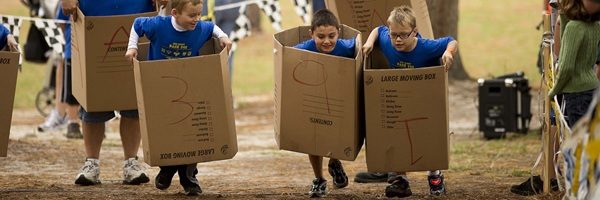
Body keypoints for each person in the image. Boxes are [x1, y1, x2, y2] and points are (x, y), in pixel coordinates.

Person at [125, 0, 232, 195]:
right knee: (167, 131)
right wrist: (132, 47)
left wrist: (224, 37)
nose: (196, 19)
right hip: (160, 88)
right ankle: (167, 168)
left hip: (189, 87)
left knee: (191, 131)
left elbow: (213, 27)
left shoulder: (199, 28)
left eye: (199, 14)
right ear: (174, 13)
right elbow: (137, 24)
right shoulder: (159, 25)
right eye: (192, 15)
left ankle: (188, 177)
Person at [61, 0, 162, 186]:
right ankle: (91, 163)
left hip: (136, 14)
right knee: (92, 99)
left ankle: (131, 162)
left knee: (133, 97)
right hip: (93, 17)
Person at [362, 5, 458, 198]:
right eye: (394, 34)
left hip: (424, 96)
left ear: (415, 32)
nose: (398, 39)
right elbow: (377, 30)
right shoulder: (386, 39)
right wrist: (370, 43)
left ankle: (434, 175)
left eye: (404, 35)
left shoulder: (426, 47)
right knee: (395, 131)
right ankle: (399, 179)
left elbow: (451, 41)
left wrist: (448, 53)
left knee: (427, 134)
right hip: (399, 94)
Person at [292, 9, 353, 198]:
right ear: (311, 34)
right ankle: (319, 179)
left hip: (338, 101)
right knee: (314, 141)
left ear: (339, 32)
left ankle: (334, 161)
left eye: (331, 36)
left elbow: (361, 46)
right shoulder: (303, 49)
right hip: (313, 101)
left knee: (339, 132)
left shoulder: (348, 47)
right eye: (320, 36)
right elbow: (286, 57)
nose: (327, 41)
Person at [37, 4, 83, 139]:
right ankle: (72, 122)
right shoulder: (68, 3)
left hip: (90, 50)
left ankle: (97, 123)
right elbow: (61, 23)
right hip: (71, 49)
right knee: (71, 90)